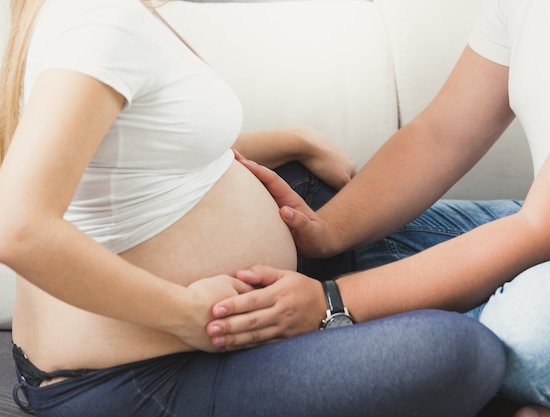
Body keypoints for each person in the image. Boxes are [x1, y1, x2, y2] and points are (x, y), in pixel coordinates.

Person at [0, 0, 507, 416]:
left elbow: (158, 144)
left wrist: (295, 139)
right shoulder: (99, 23)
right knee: (460, 355)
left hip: (229, 311)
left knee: (500, 244)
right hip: (141, 378)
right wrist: (183, 315)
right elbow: (17, 228)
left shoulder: (115, 14)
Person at [206, 1, 550, 416]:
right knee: (358, 240)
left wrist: (332, 303)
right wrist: (329, 229)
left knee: (536, 330)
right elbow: (441, 133)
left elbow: (546, 227)